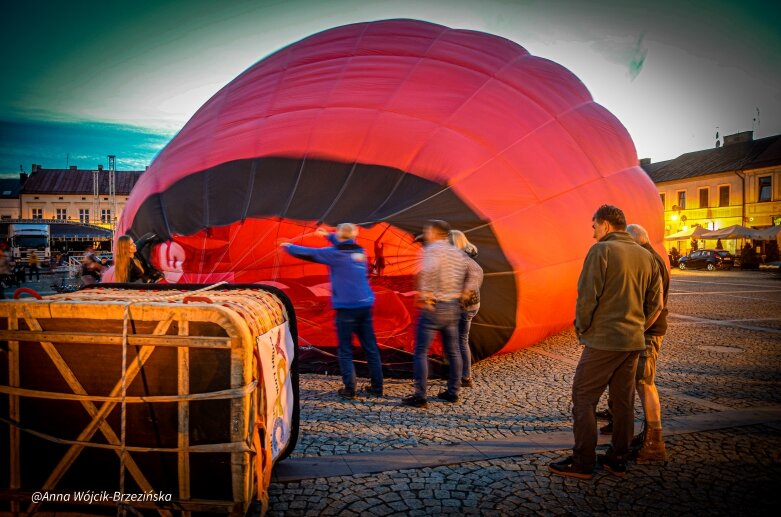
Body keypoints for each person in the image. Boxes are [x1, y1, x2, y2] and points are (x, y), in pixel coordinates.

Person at [549, 205, 662, 480]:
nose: (592, 234)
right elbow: (656, 304)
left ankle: (583, 461)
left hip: (604, 340)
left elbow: (588, 296)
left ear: (606, 226)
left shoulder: (601, 251)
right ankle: (617, 459)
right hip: (633, 341)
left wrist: (582, 327)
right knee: (623, 402)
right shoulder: (647, 256)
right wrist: (637, 328)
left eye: (594, 227)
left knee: (583, 397)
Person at [280, 223, 383, 399]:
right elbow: (344, 241)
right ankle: (377, 387)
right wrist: (327, 235)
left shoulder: (334, 254)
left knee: (345, 349)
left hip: (346, 309)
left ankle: (349, 389)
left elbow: (308, 253)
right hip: (365, 306)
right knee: (371, 348)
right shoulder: (361, 252)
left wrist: (287, 246)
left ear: (341, 237)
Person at [402, 220, 482, 408]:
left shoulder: (431, 251)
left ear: (436, 233)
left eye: (428, 231)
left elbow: (427, 273)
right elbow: (475, 271)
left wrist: (424, 295)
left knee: (421, 351)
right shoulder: (457, 252)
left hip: (434, 307)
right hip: (452, 307)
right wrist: (466, 291)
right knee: (454, 351)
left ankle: (420, 396)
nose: (426, 234)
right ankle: (453, 392)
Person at [626, 223, 669, 462]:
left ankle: (655, 444)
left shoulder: (651, 261)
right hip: (649, 331)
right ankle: (648, 435)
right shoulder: (654, 258)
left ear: (638, 242)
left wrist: (640, 330)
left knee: (645, 382)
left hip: (649, 333)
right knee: (641, 381)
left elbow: (657, 305)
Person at [448, 230, 483, 388]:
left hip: (463, 306)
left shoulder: (460, 261)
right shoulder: (471, 260)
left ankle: (461, 376)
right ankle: (465, 376)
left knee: (458, 341)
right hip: (473, 305)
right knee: (463, 340)